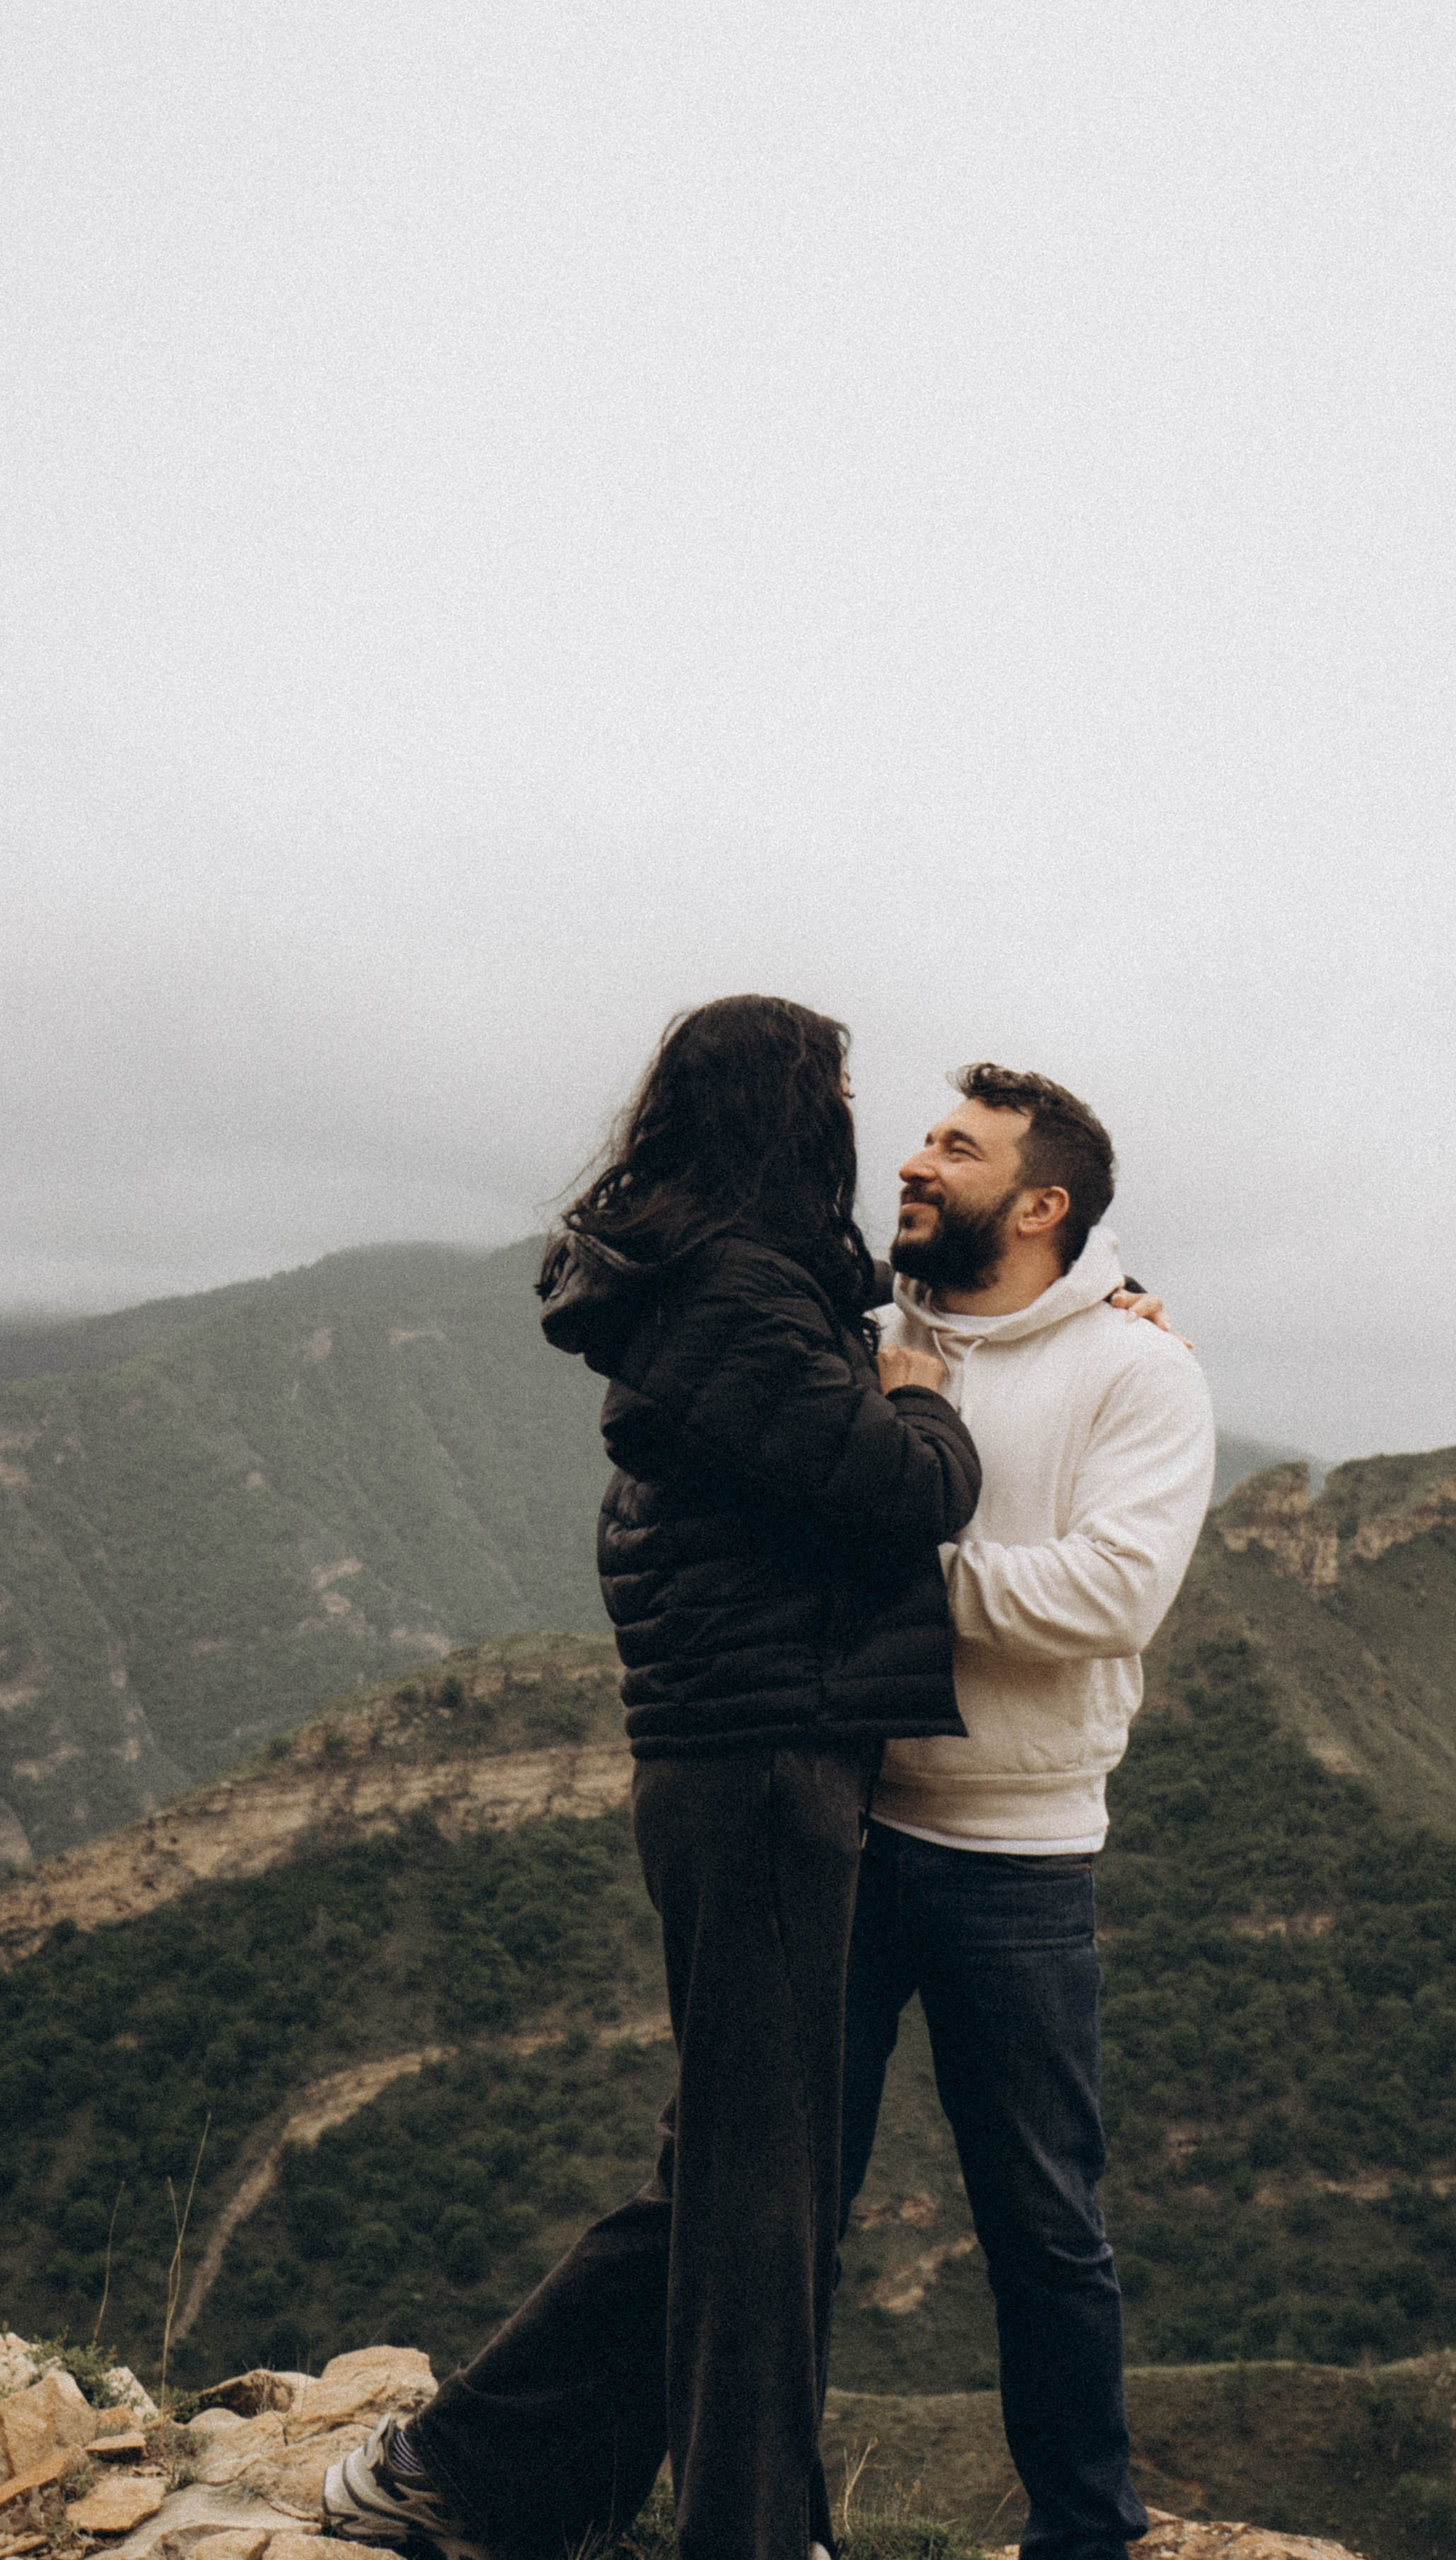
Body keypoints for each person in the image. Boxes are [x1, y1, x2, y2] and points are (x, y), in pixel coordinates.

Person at [324, 996, 982, 2560]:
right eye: (829, 1090)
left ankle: (471, 2474)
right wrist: (931, 1410)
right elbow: (889, 1487)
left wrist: (1095, 1303)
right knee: (762, 2192)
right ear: (779, 1109)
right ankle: (739, 2533)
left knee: (732, 2169)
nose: (849, 1115)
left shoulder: (717, 1281)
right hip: (757, 1762)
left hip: (749, 1752)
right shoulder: (735, 1292)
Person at [840, 1064, 1215, 2560]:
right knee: (788, 2200)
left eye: (955, 1149)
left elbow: (1114, 1593)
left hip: (1017, 1853)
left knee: (1043, 2226)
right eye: (924, 1139)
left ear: (1041, 1204)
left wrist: (894, 1581)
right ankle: (756, 2512)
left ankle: (1083, 2533)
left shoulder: (1137, 1373)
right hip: (845, 1824)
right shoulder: (867, 1335)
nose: (916, 1164)